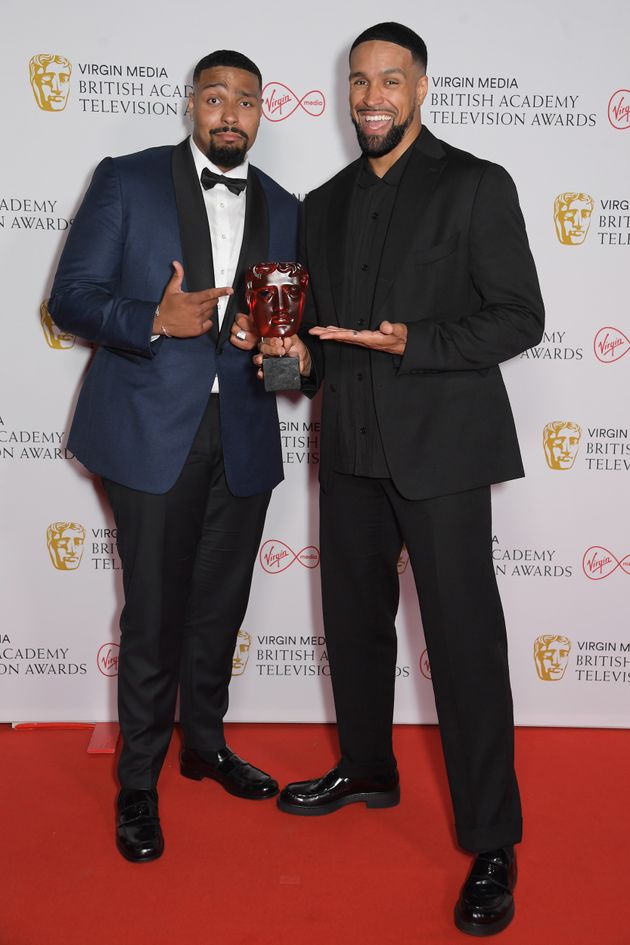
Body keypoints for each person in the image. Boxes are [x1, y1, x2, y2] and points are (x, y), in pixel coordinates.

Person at [259, 22, 544, 937]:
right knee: (352, 627)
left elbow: (518, 317)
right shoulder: (323, 201)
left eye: (391, 80)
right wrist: (284, 351)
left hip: (444, 453)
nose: (372, 96)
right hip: (347, 447)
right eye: (358, 82)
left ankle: (493, 840)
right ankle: (369, 768)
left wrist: (415, 342)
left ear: (421, 88)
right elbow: (317, 342)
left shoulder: (475, 184)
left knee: (463, 645)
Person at [49, 49, 299, 863]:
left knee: (218, 609)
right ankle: (137, 783)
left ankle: (204, 744)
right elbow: (71, 297)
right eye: (216, 98)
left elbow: (296, 326)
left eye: (247, 102)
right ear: (192, 103)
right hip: (151, 433)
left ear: (263, 112)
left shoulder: (287, 205)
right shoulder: (127, 179)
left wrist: (279, 349)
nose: (231, 114)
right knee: (154, 614)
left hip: (247, 436)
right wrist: (155, 317)